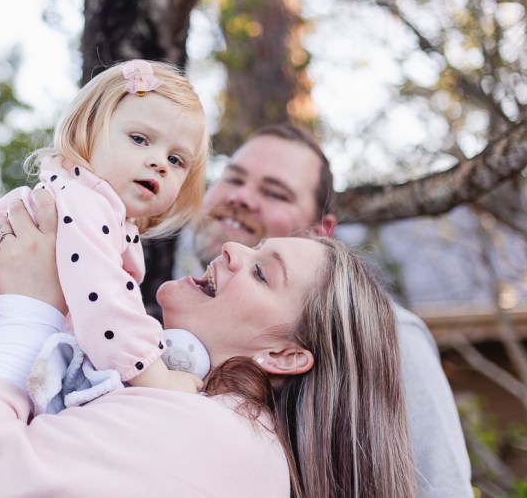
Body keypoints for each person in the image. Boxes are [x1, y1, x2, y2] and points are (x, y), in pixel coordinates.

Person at [0, 189, 418, 497]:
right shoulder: (207, 423)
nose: (232, 251)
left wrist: (25, 313)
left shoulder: (219, 436)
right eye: (254, 251)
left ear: (285, 357)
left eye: (262, 274)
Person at [166, 122, 474, 497]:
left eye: (275, 193)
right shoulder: (169, 309)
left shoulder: (386, 337)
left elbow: (443, 488)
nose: (242, 197)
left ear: (319, 232)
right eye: (233, 178)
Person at [0, 59, 209, 392]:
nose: (159, 163)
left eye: (176, 160)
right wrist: (154, 376)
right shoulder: (85, 203)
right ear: (88, 131)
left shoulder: (94, 205)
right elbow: (104, 304)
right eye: (140, 139)